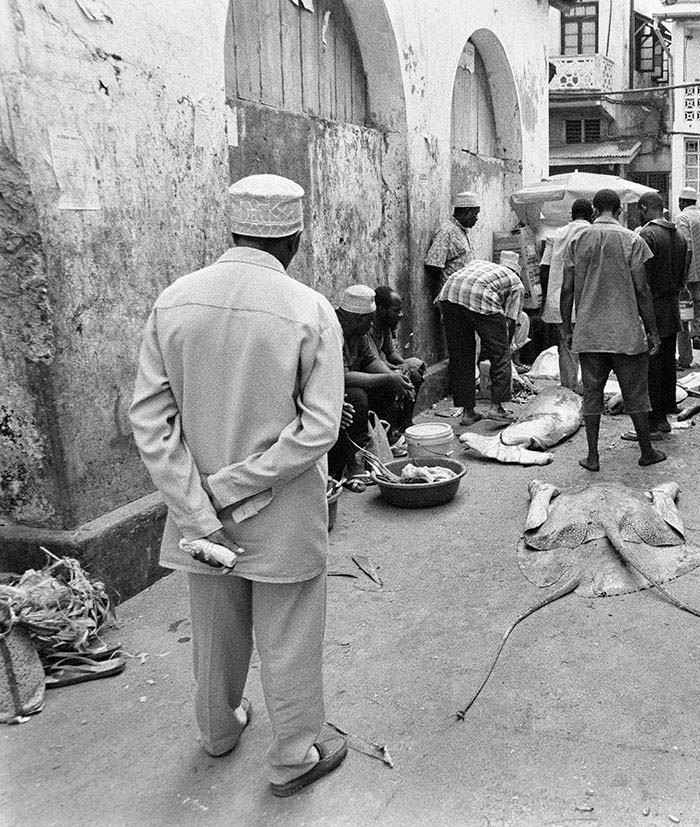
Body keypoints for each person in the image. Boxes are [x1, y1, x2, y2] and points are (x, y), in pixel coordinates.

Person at [129, 174, 348, 797]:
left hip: (199, 518)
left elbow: (149, 419)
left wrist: (198, 501)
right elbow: (319, 430)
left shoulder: (175, 300)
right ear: (296, 238)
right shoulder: (308, 310)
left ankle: (219, 732)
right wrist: (236, 485)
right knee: (289, 635)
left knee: (216, 630)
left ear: (232, 229)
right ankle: (293, 757)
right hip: (281, 512)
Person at [561, 188, 665, 471]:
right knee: (636, 394)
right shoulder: (632, 240)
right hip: (626, 332)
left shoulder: (578, 240)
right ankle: (646, 451)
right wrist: (653, 331)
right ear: (619, 210)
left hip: (590, 332)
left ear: (594, 210)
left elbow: (567, 289)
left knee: (592, 395)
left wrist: (567, 327)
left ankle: (593, 457)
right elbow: (642, 290)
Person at [328, 285, 417, 480]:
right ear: (359, 319)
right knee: (356, 397)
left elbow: (371, 360)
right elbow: (342, 376)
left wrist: (395, 379)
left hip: (341, 387)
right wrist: (388, 377)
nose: (371, 326)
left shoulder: (357, 332)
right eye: (369, 322)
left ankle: (381, 441)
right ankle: (354, 461)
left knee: (386, 386)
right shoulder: (332, 330)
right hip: (324, 390)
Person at [436, 252, 525, 426]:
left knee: (461, 356)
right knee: (501, 354)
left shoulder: (482, 264)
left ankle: (468, 413)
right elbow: (511, 320)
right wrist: (507, 346)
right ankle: (496, 407)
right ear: (516, 272)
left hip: (449, 292)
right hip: (478, 294)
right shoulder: (517, 284)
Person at [633, 191, 689, 440]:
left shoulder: (647, 234)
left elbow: (641, 281)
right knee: (666, 363)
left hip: (653, 307)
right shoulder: (678, 236)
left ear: (644, 208)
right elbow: (682, 277)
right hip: (670, 305)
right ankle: (663, 415)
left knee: (651, 367)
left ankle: (653, 422)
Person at [537, 198, 593, 392]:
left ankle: (568, 389)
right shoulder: (592, 233)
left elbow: (544, 268)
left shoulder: (557, 234)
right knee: (588, 347)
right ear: (592, 215)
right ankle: (587, 388)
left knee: (566, 344)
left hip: (558, 298)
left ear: (571, 214)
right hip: (587, 299)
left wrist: (546, 298)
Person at [673, 186, 700, 368]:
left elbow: (685, 247)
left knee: (682, 313)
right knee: (697, 303)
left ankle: (685, 357)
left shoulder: (682, 218)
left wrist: (683, 273)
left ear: (682, 202)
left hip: (688, 270)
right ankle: (696, 333)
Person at [371, 284, 426, 406]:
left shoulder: (385, 325)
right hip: (371, 372)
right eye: (396, 310)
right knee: (398, 379)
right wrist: (396, 369)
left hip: (382, 366)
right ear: (381, 309)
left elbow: (390, 353)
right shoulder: (368, 328)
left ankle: (406, 422)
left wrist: (403, 364)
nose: (400, 315)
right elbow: (373, 362)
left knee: (416, 367)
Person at [424, 191, 480, 288]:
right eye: (475, 214)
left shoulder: (462, 230)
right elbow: (433, 266)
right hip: (451, 293)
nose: (476, 218)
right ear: (466, 212)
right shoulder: (446, 232)